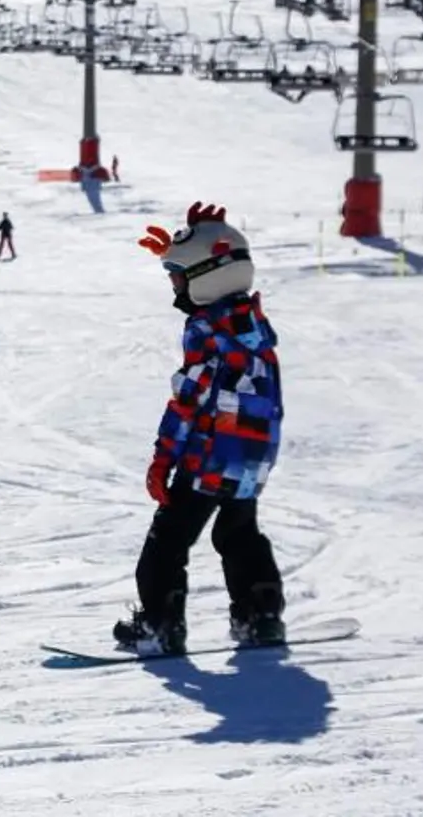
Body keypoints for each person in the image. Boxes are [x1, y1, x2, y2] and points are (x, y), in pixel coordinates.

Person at [115, 202, 285, 656]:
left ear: (206, 278)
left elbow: (188, 401)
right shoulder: (254, 325)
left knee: (168, 539)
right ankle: (261, 615)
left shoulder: (206, 330)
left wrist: (163, 458)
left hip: (208, 458)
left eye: (178, 276)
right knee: (238, 533)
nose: (173, 285)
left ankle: (160, 625)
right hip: (252, 457)